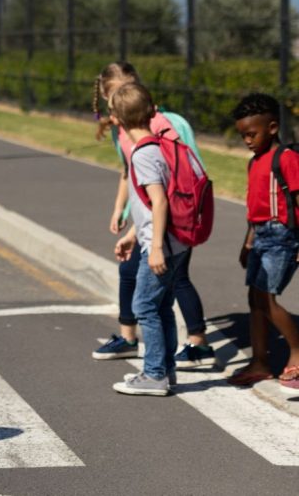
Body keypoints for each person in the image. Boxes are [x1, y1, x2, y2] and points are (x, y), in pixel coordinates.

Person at [90, 62, 215, 370]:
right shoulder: (125, 133)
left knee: (154, 299)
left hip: (169, 225)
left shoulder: (158, 130)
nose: (121, 99)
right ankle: (152, 356)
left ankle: (169, 361)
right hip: (150, 223)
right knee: (149, 291)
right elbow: (128, 171)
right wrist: (122, 211)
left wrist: (151, 239)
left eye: (126, 93)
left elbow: (167, 189)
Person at [111, 82, 193, 395]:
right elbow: (151, 204)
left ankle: (155, 374)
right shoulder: (159, 147)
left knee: (144, 305)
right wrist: (133, 234)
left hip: (162, 246)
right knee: (161, 307)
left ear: (117, 119)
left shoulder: (142, 154)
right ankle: (166, 370)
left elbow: (159, 201)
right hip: (175, 243)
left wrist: (155, 247)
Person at [228, 93, 299, 388]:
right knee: (254, 300)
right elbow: (254, 209)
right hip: (260, 236)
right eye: (243, 135)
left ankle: (297, 353)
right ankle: (260, 361)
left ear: (272, 128)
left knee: (267, 299)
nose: (247, 140)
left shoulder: (286, 158)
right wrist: (248, 243)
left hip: (282, 237)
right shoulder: (253, 162)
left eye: (251, 134)